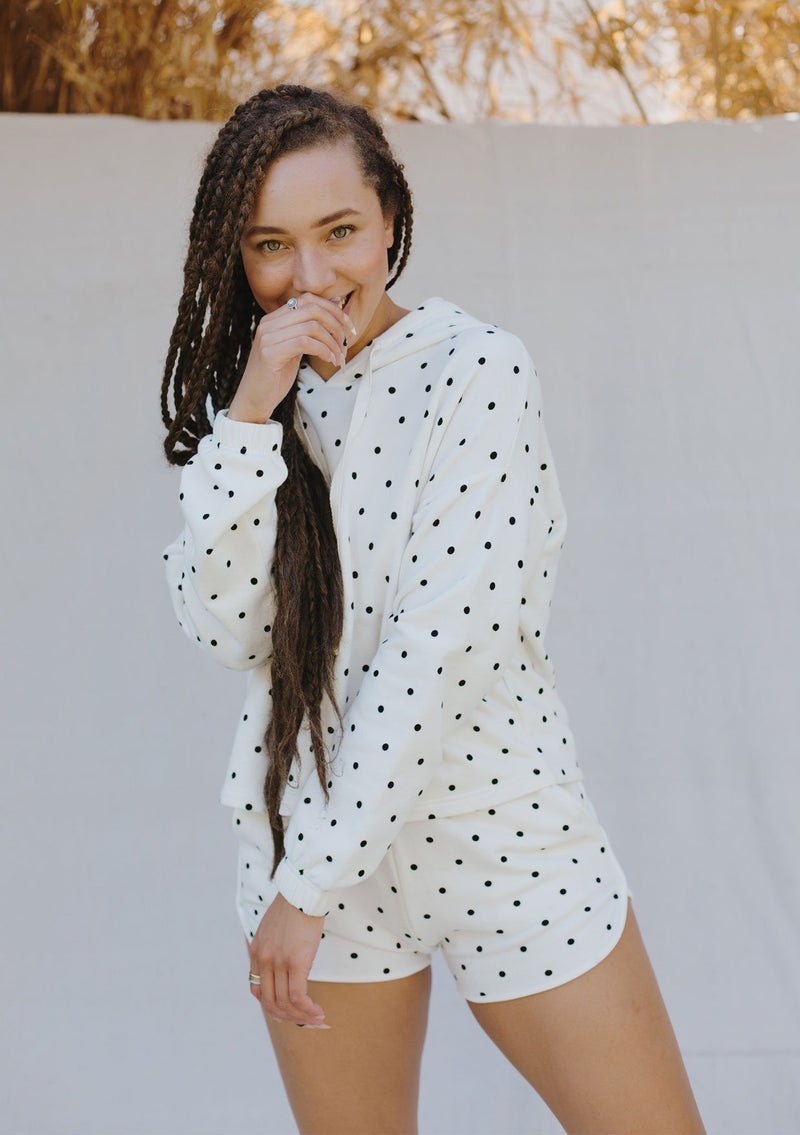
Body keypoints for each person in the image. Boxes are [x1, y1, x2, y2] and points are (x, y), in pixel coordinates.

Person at [160, 83, 705, 1135]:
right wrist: (247, 417)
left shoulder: (477, 373)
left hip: (496, 830)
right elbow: (229, 629)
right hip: (315, 847)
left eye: (340, 232)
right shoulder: (262, 402)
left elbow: (437, 654)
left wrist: (305, 884)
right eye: (272, 244)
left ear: (391, 226)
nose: (310, 275)